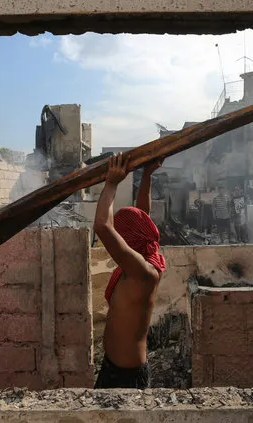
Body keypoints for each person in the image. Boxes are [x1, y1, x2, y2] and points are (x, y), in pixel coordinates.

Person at [93, 152, 166, 389]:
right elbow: (143, 213)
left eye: (123, 236)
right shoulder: (148, 252)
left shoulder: (143, 272)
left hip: (127, 376)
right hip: (113, 366)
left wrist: (112, 183)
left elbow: (103, 227)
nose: (120, 241)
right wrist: (146, 175)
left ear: (131, 240)